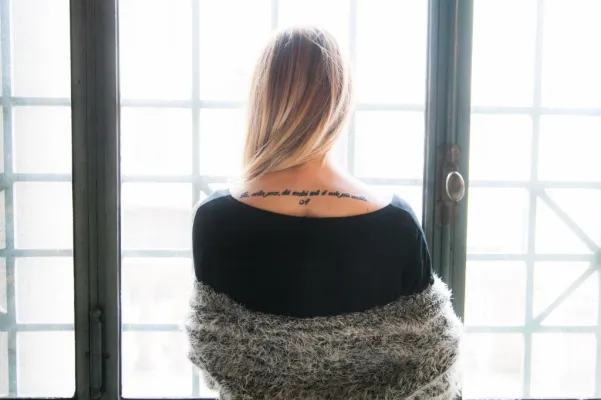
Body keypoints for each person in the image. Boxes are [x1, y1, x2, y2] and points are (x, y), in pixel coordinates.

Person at [186, 26, 462, 399]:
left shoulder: (214, 220)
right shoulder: (398, 223)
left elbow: (215, 348)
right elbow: (434, 369)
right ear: (339, 103)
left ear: (262, 98)